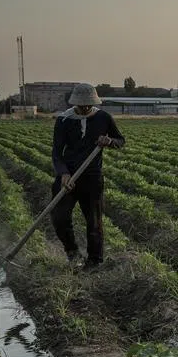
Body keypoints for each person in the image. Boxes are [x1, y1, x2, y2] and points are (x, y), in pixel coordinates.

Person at [50, 83, 124, 269]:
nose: (84, 108)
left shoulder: (104, 118)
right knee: (59, 218)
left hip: (92, 178)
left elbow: (121, 141)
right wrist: (64, 174)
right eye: (81, 105)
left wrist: (109, 141)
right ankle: (72, 252)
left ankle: (94, 261)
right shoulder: (64, 120)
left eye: (88, 105)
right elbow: (57, 153)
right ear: (74, 103)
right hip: (68, 177)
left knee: (94, 223)